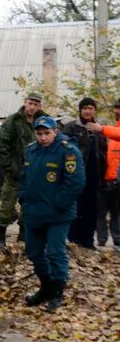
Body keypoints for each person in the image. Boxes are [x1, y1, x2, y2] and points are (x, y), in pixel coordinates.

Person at [18, 116, 85, 312]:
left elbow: (76, 182)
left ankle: (56, 293)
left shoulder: (68, 151)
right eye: (39, 134)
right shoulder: (31, 150)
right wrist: (23, 198)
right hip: (33, 212)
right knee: (34, 252)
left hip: (58, 214)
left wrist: (58, 204)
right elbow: (24, 178)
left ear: (55, 131)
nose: (43, 137)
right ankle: (46, 287)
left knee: (56, 252)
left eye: (47, 133)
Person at [0, 93, 46, 247]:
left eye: (36, 104)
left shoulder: (43, 121)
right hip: (15, 172)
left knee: (29, 206)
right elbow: (2, 144)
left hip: (34, 173)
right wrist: (8, 167)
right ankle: (1, 238)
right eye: (30, 103)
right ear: (25, 103)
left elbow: (49, 142)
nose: (32, 107)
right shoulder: (13, 120)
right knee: (7, 204)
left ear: (40, 106)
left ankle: (23, 235)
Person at [61, 98, 106, 249]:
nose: (88, 111)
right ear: (79, 110)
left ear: (94, 110)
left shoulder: (99, 129)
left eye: (91, 108)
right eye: (85, 108)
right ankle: (74, 239)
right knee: (76, 207)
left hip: (95, 176)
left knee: (92, 209)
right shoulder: (70, 128)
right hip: (76, 176)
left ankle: (88, 240)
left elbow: (105, 152)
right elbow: (63, 151)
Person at [96, 101, 120, 250]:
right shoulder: (109, 134)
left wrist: (102, 128)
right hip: (104, 179)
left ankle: (117, 239)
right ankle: (101, 239)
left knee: (116, 212)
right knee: (101, 212)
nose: (117, 111)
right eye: (116, 108)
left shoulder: (111, 131)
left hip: (116, 180)